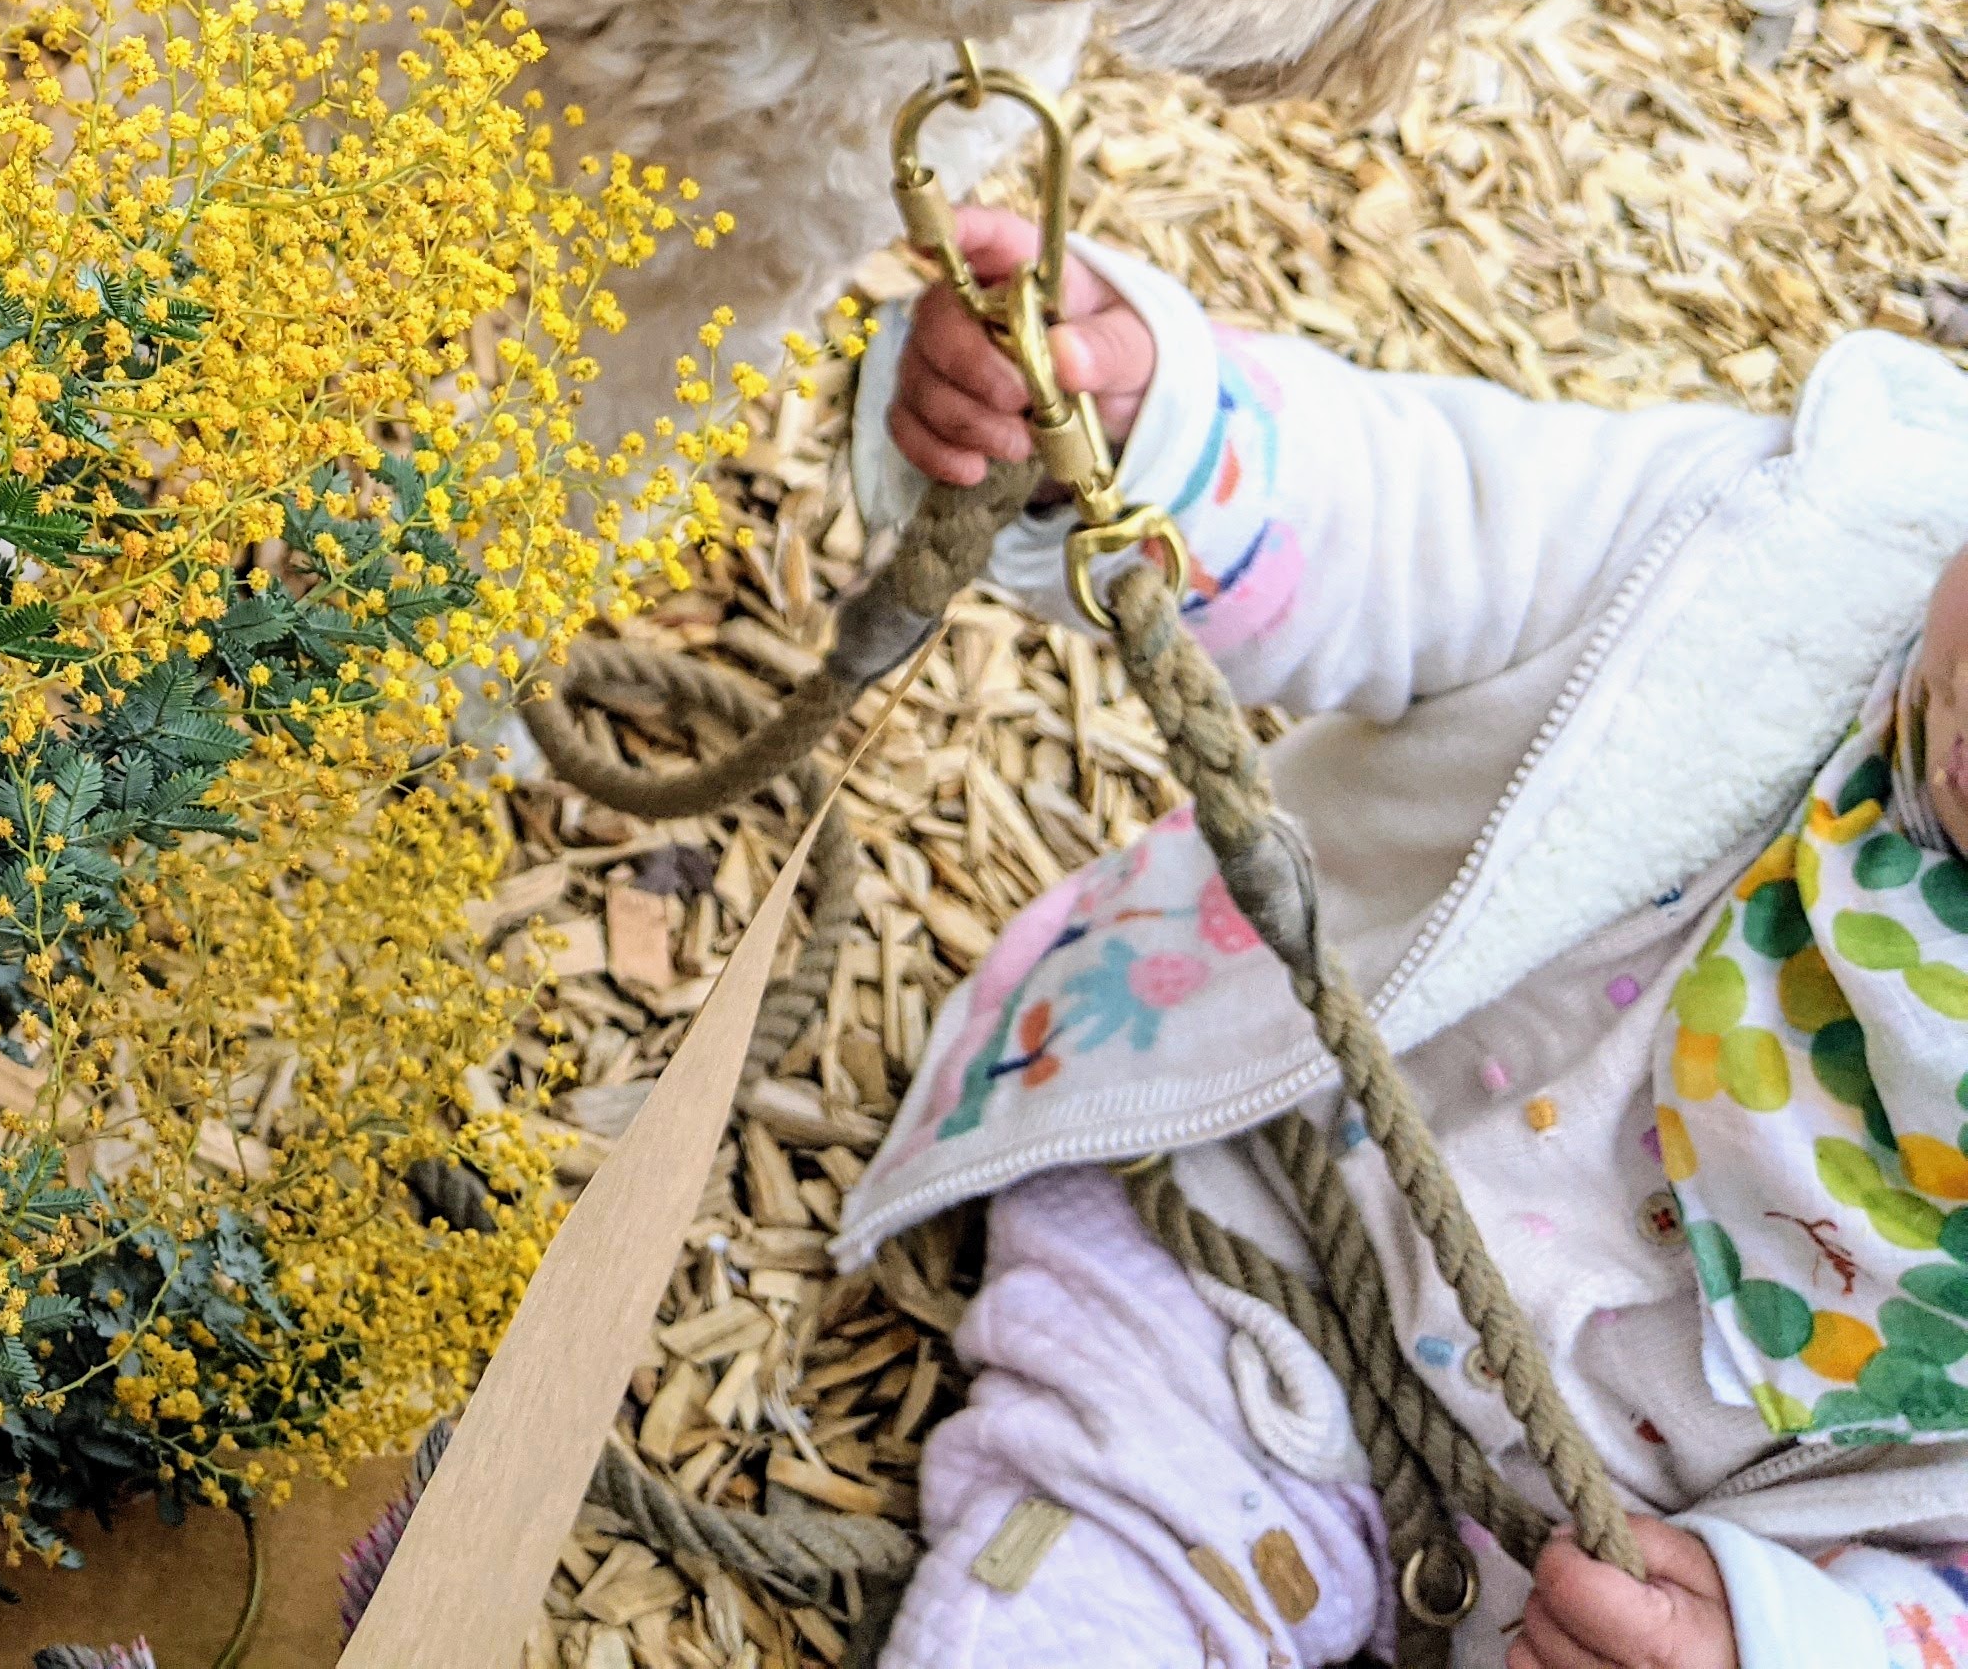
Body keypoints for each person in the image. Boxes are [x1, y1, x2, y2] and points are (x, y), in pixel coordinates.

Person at [834, 211, 1968, 1669]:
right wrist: (1151, 431)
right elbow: (1423, 518)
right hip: (1259, 1253)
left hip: (1613, 1594)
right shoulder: (1795, 553)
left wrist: (1800, 1644)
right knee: (1082, 1596)